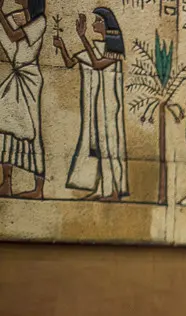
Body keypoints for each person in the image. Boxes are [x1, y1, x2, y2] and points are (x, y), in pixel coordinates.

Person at [56, 7, 128, 201]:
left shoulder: (114, 50)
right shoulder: (97, 48)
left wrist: (82, 37)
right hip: (98, 104)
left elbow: (97, 64)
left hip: (109, 105)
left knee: (110, 147)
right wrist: (62, 46)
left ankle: (115, 191)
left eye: (97, 20)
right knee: (99, 147)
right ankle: (103, 189)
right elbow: (71, 63)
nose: (94, 24)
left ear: (106, 25)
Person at [0, 0, 47, 199]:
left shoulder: (40, 21)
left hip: (30, 78)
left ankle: (39, 188)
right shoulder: (19, 16)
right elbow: (7, 39)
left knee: (34, 132)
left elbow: (13, 35)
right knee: (5, 127)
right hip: (17, 73)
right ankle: (7, 183)